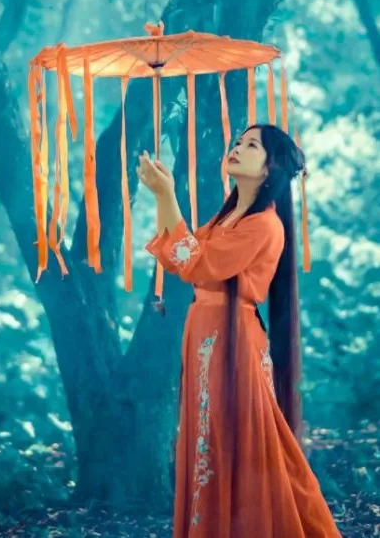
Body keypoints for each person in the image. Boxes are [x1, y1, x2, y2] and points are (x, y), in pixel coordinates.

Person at [137, 124, 342, 538]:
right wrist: (164, 195)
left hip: (233, 339)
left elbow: (196, 263)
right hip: (206, 332)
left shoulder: (264, 225)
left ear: (269, 168)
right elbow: (182, 259)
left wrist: (166, 195)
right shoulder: (228, 216)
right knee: (208, 440)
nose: (237, 148)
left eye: (251, 146)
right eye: (237, 142)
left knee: (239, 443)